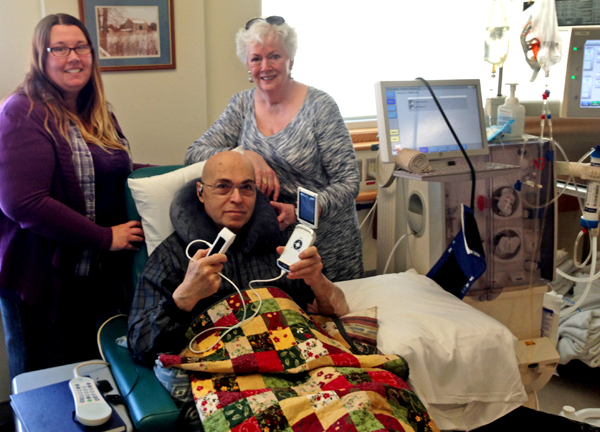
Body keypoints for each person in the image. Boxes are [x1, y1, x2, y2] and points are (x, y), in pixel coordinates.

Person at [0, 13, 144, 379]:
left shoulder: (96, 112)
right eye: (59, 48)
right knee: (46, 385)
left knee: (91, 378)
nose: (73, 57)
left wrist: (175, 176)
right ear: (41, 57)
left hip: (94, 278)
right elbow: (22, 202)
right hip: (43, 281)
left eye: (81, 47)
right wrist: (104, 237)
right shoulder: (22, 112)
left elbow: (113, 171)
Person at [185, 16, 363, 283]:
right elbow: (194, 152)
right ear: (247, 63)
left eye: (275, 56)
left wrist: (300, 213)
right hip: (269, 249)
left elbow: (349, 182)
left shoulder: (320, 106)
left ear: (291, 59)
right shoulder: (241, 105)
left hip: (326, 245)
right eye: (256, 58)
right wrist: (245, 155)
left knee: (334, 317)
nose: (265, 67)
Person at [128, 151, 350, 365]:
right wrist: (184, 297)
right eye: (223, 187)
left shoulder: (284, 244)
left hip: (297, 358)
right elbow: (140, 343)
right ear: (201, 192)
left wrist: (317, 280)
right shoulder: (172, 256)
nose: (237, 198)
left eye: (246, 188)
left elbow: (338, 310)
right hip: (229, 369)